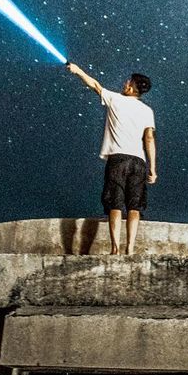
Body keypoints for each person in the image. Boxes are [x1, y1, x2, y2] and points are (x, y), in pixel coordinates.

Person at [64, 62, 157, 254]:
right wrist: (152, 168)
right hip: (138, 161)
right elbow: (149, 138)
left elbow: (95, 85)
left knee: (115, 203)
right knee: (135, 206)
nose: (124, 83)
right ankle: (130, 248)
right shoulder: (148, 111)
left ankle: (115, 248)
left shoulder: (115, 99)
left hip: (118, 158)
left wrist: (77, 70)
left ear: (131, 87)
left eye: (127, 82)